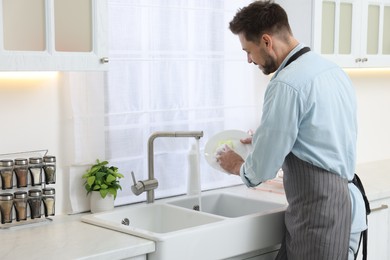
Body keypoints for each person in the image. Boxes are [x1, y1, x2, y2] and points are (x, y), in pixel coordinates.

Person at [216, 1, 367, 259]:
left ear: (266, 41)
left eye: (249, 51)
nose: (249, 60)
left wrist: (236, 165)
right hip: (340, 204)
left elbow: (260, 170)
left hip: (317, 213)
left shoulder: (286, 84)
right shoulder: (331, 71)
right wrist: (263, 139)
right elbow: (318, 134)